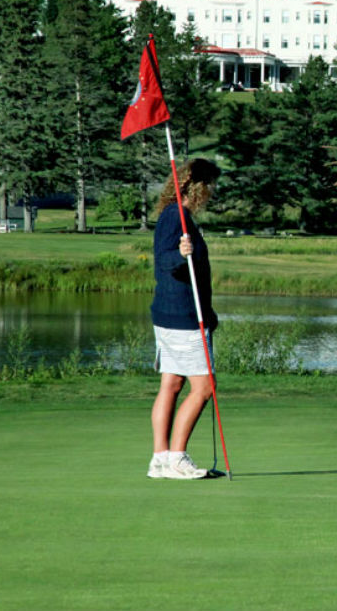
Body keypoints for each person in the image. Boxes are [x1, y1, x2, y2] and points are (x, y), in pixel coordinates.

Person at [147, 158, 222, 480]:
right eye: (212, 186)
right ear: (200, 186)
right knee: (204, 387)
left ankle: (161, 460)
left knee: (172, 382)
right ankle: (177, 458)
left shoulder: (175, 215)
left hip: (172, 312)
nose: (213, 192)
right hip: (183, 316)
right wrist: (182, 253)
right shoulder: (176, 216)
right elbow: (164, 260)